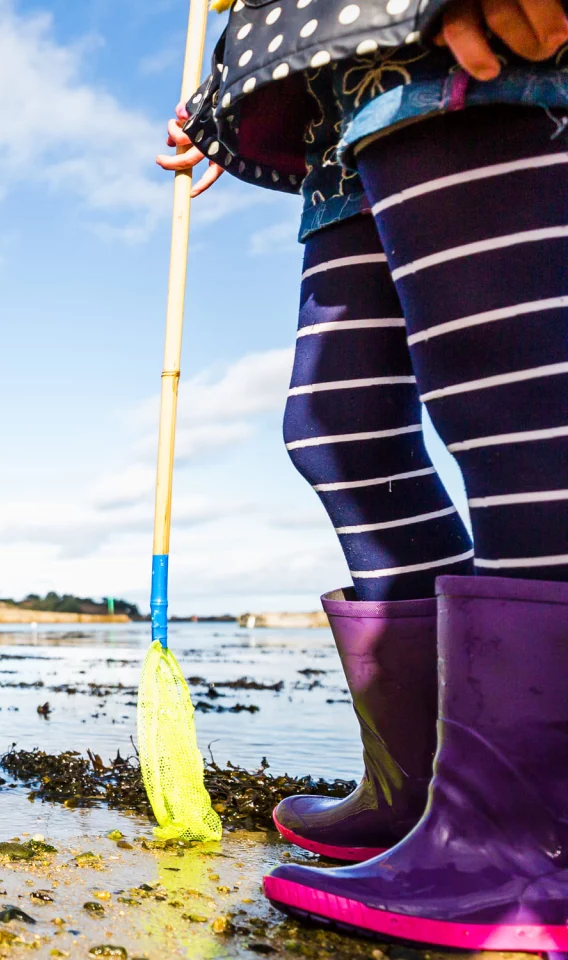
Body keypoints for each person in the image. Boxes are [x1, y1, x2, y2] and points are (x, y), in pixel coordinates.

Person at [161, 0, 568, 948]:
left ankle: (523, 842)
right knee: (339, 426)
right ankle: (428, 794)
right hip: (336, 75)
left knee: (513, 396)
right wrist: (235, 86)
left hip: (448, 34)